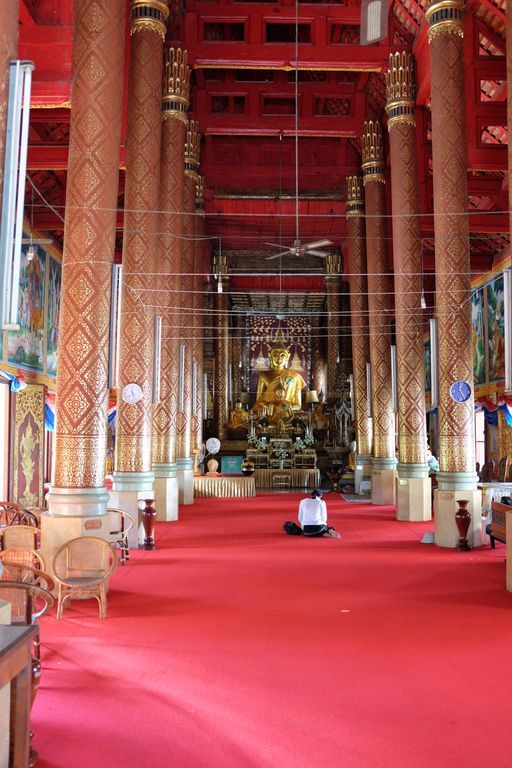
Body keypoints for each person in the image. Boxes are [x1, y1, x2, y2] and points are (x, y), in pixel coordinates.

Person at [252, 344, 306, 419]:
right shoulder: (263, 376)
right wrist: (272, 408)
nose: (279, 358)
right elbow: (259, 403)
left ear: (288, 357)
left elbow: (298, 405)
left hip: (288, 414)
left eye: (282, 355)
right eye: (275, 355)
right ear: (270, 356)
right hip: (270, 415)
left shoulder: (295, 376)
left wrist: (283, 408)